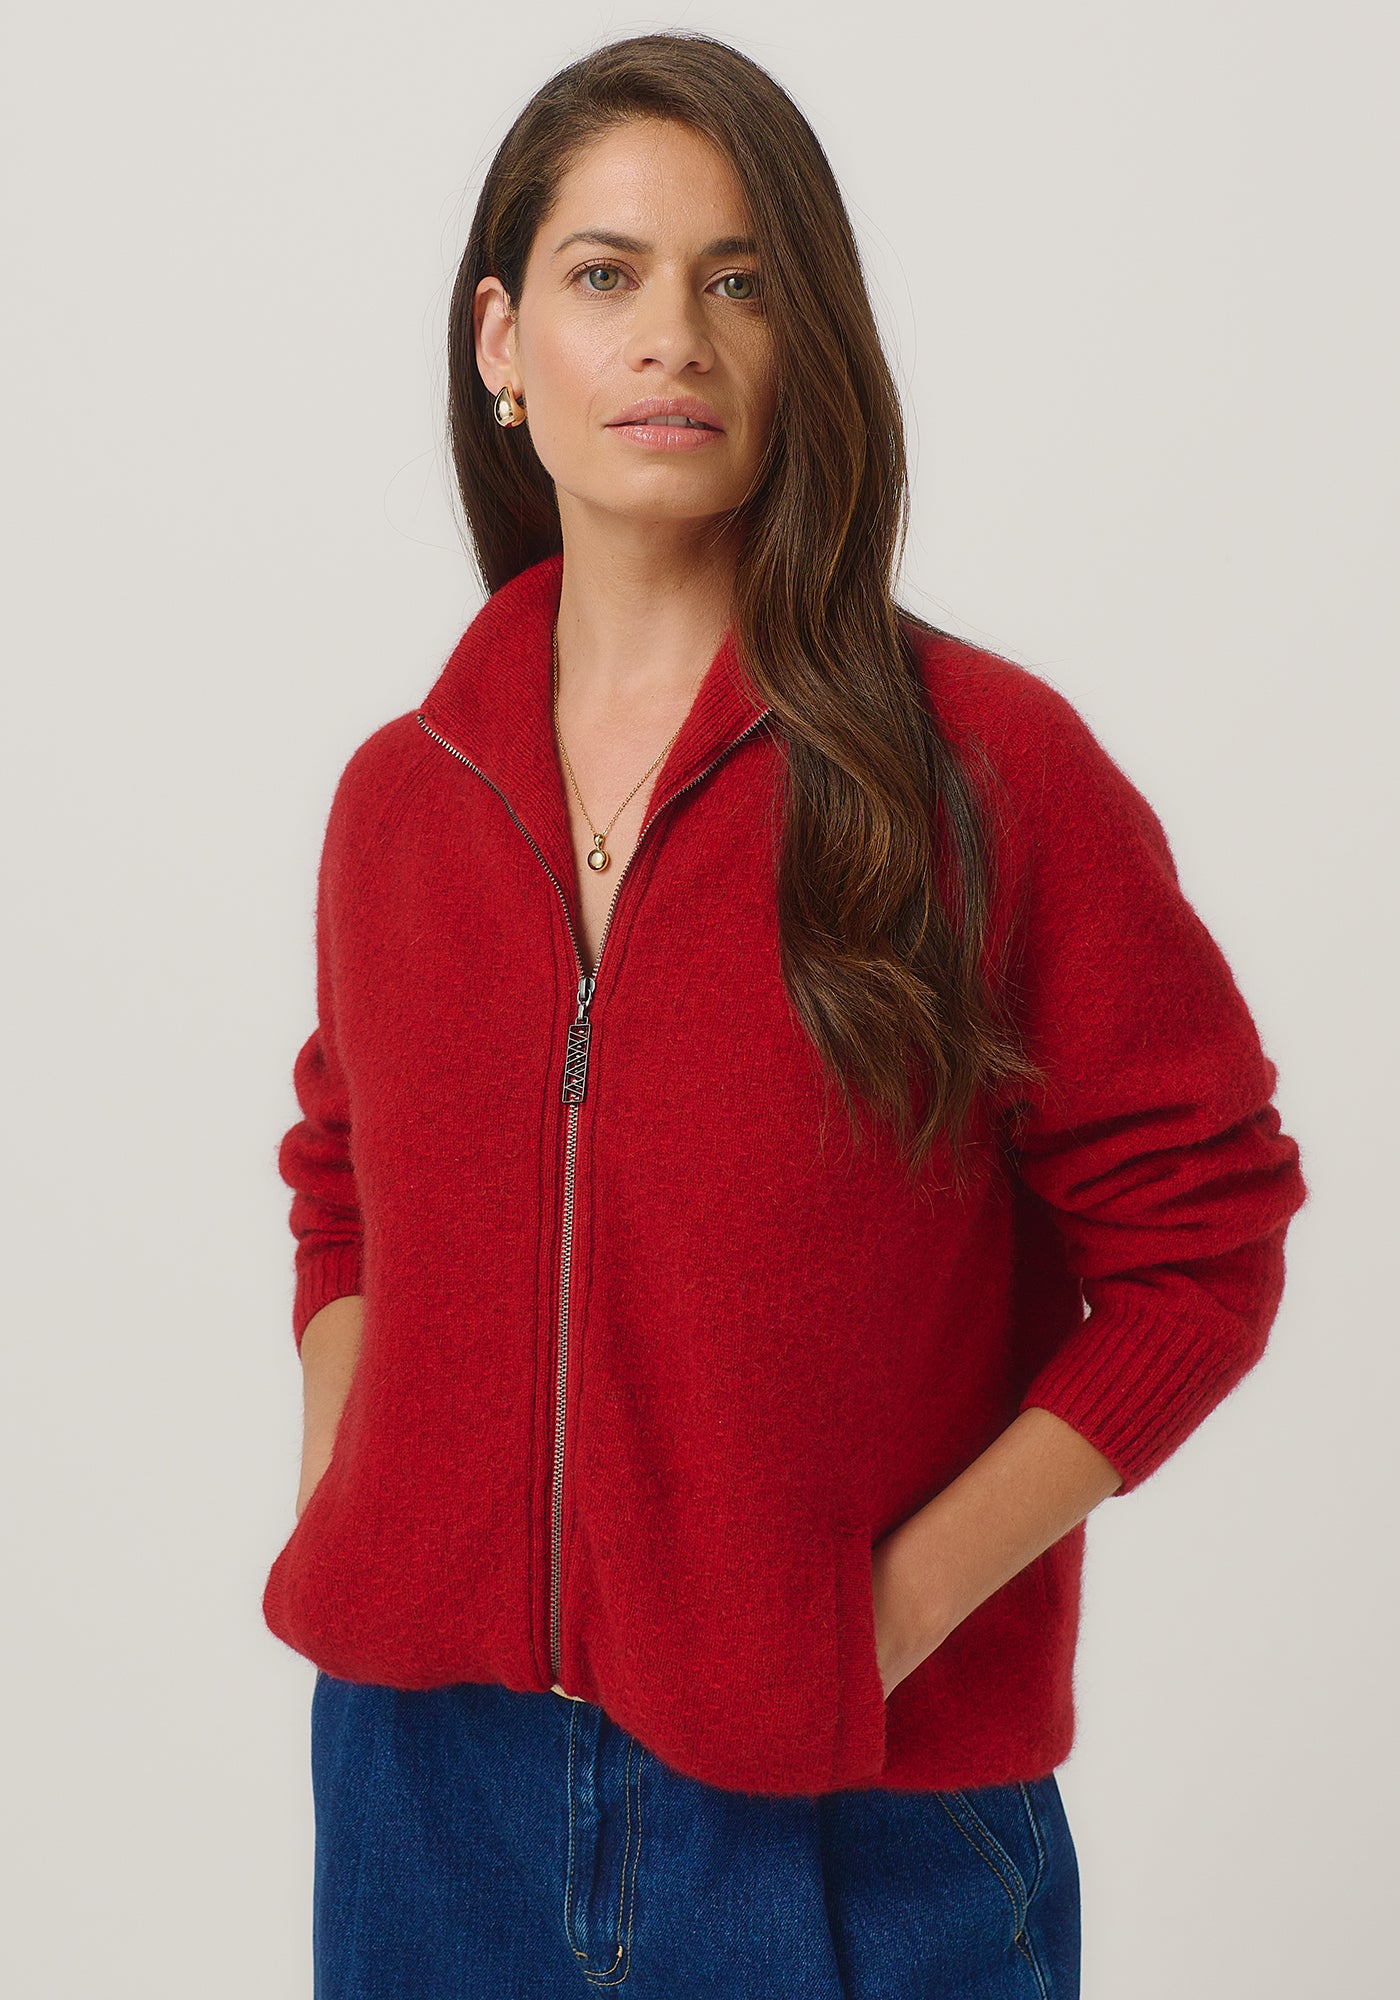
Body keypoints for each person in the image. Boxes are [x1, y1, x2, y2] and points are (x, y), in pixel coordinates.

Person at [262, 31, 1308, 2000]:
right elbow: (346, 1185)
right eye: (605, 273)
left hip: (845, 1811)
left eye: (738, 279)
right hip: (426, 1798)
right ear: (501, 343)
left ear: (804, 339)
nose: (673, 333)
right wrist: (354, 1477)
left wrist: (883, 1615)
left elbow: (1204, 1242)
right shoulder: (405, 797)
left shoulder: (981, 774)